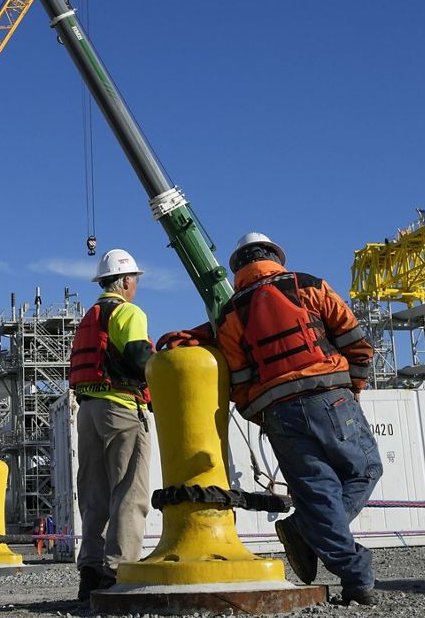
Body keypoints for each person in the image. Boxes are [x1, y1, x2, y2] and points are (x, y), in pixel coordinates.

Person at [159, 232, 382, 606]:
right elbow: (353, 337)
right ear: (275, 257)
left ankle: (355, 576)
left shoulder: (231, 313)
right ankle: (306, 530)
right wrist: (353, 387)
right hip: (331, 398)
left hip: (280, 413)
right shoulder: (308, 285)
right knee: (365, 470)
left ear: (238, 270)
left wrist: (265, 416)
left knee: (318, 493)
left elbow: (240, 379)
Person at [69, 248, 154, 601]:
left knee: (94, 496)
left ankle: (90, 573)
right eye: (134, 280)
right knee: (128, 491)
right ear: (125, 281)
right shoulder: (127, 311)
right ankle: (117, 573)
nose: (135, 286)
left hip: (86, 410)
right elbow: (138, 358)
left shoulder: (89, 317)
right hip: (120, 407)